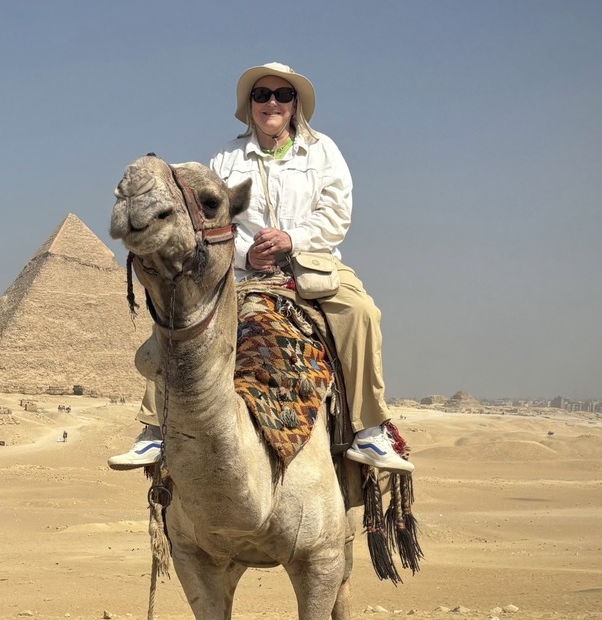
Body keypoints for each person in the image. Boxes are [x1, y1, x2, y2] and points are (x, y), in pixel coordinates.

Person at [107, 62, 413, 475]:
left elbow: (337, 215)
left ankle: (368, 429)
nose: (272, 102)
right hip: (245, 274)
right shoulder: (225, 158)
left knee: (361, 314)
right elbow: (209, 223)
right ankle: (154, 429)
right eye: (261, 95)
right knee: (178, 318)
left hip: (312, 268)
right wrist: (247, 253)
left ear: (295, 105)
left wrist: (292, 239)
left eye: (282, 95)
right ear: (248, 105)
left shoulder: (323, 151)